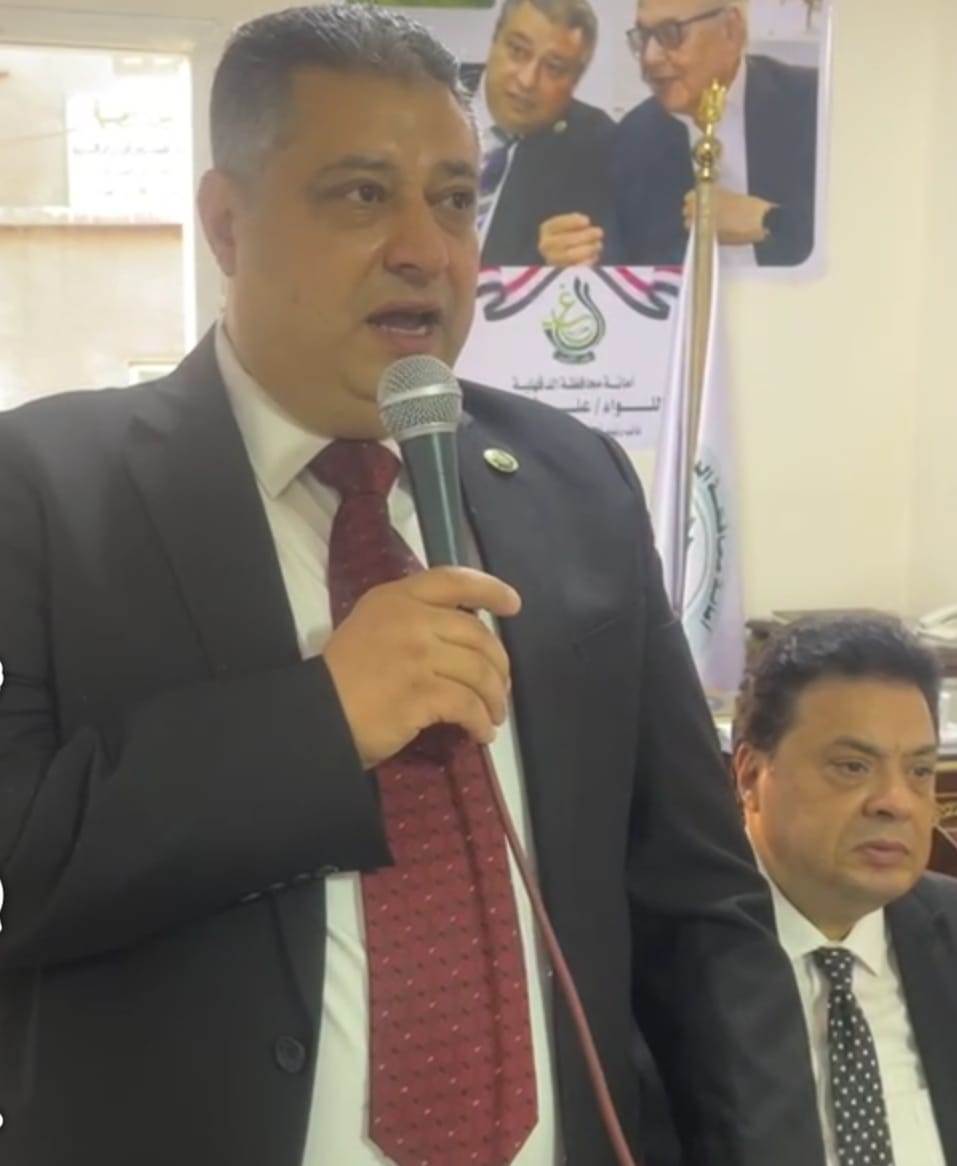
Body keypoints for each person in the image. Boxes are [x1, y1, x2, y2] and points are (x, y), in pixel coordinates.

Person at [0, 6, 826, 1166]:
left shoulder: (576, 483)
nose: (426, 250)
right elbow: (21, 866)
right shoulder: (42, 488)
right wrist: (319, 718)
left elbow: (703, 912)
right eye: (360, 194)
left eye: (453, 198)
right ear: (227, 223)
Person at [733, 615, 957, 1165]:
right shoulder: (661, 959)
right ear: (750, 776)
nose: (896, 802)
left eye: (920, 771)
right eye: (853, 767)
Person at [614, 0, 818, 267]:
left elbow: (857, 235)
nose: (650, 57)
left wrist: (767, 220)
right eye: (643, 37)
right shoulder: (635, 137)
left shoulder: (814, 104)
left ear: (731, 31)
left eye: (670, 33)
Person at [474, 0, 616, 267]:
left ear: (575, 81)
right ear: (494, 39)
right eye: (518, 51)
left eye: (554, 68)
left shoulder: (593, 146)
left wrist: (552, 266)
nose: (527, 80)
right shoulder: (427, 106)